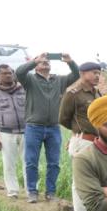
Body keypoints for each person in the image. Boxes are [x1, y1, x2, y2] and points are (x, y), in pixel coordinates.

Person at [16, 52, 80, 203]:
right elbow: (19, 72)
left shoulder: (59, 80)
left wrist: (70, 61)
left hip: (53, 127)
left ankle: (50, 193)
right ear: (36, 66)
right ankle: (32, 192)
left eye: (47, 61)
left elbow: (76, 75)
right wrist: (34, 61)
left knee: (54, 163)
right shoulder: (29, 79)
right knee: (31, 161)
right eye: (41, 61)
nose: (45, 62)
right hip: (34, 127)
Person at [59, 62, 103, 211]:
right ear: (82, 73)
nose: (97, 76)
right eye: (93, 72)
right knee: (80, 180)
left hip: (97, 140)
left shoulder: (96, 92)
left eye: (98, 73)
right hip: (83, 140)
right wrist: (77, 132)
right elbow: (63, 118)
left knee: (97, 179)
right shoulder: (73, 92)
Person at [0, 64, 26, 197]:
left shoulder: (23, 88)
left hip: (26, 131)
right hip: (6, 133)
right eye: (4, 73)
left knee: (29, 162)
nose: (8, 75)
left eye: (10, 73)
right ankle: (13, 191)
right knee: (9, 164)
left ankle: (31, 190)